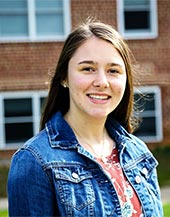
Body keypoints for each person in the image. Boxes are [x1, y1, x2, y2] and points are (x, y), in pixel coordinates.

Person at [8, 20, 163, 217]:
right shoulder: (34, 161)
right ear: (64, 77)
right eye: (88, 69)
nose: (102, 82)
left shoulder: (138, 153)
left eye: (113, 71)